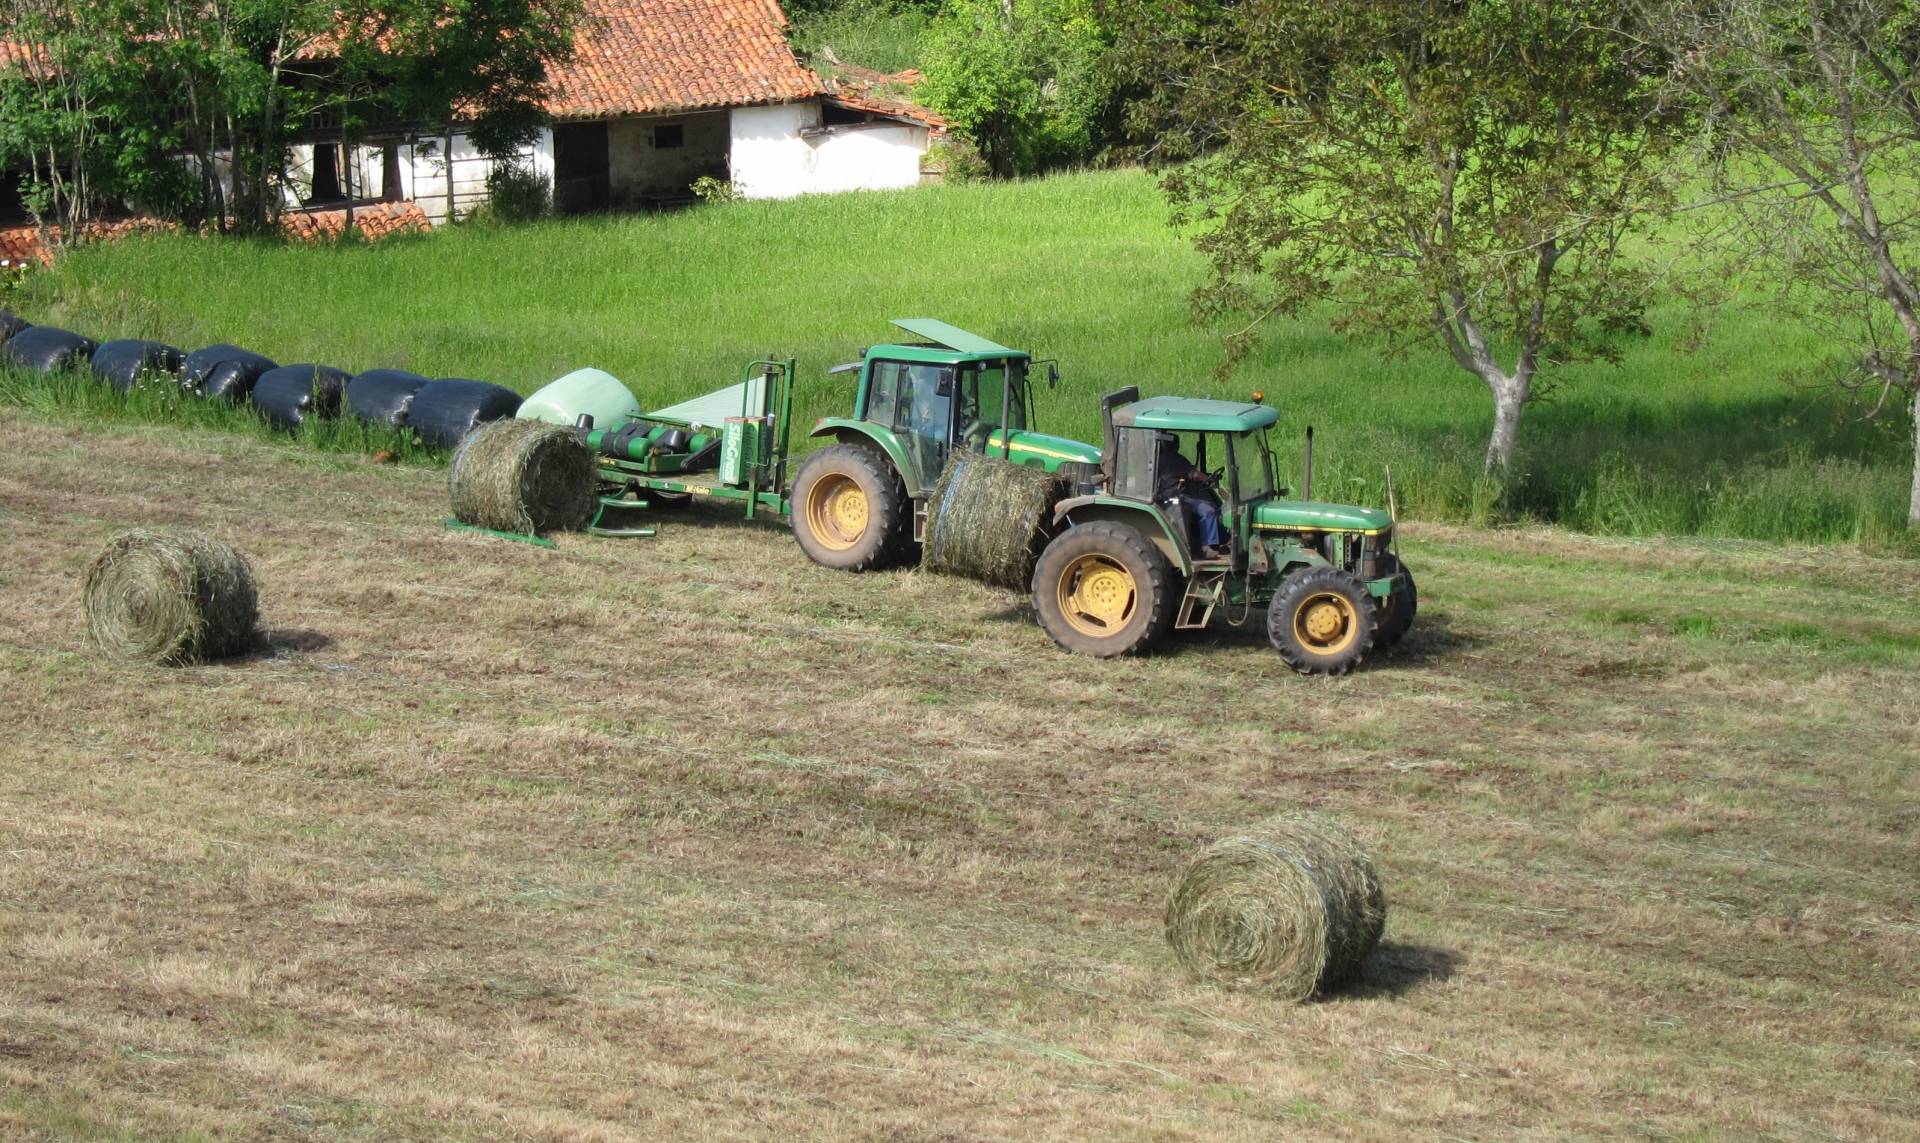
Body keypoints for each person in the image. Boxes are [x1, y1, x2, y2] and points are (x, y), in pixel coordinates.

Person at [1153, 432, 1229, 558]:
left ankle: (1220, 540)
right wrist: (1209, 479)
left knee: (1207, 504)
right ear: (1175, 445)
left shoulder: (1159, 459)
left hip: (1168, 494)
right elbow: (1194, 474)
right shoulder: (1174, 458)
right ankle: (1208, 547)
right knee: (1209, 510)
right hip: (1176, 496)